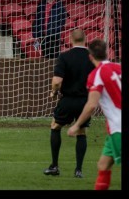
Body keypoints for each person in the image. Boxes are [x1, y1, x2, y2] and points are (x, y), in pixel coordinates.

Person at [67, 39, 121, 190]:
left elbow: (91, 105)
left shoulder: (96, 75)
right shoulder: (118, 67)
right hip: (113, 131)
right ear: (106, 53)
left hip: (119, 128)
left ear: (90, 56)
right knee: (103, 165)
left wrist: (76, 126)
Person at [43, 29, 95, 178]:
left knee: (55, 126)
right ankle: (78, 170)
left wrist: (53, 92)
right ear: (85, 40)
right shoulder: (92, 58)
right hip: (85, 101)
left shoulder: (65, 56)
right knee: (81, 132)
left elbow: (57, 82)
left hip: (68, 99)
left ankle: (54, 166)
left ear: (71, 39)